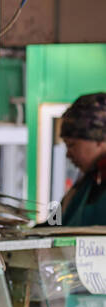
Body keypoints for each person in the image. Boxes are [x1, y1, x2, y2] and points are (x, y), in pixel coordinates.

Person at [60, 92, 106, 228]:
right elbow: (52, 224)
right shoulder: (84, 186)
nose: (68, 154)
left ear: (99, 140)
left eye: (72, 145)